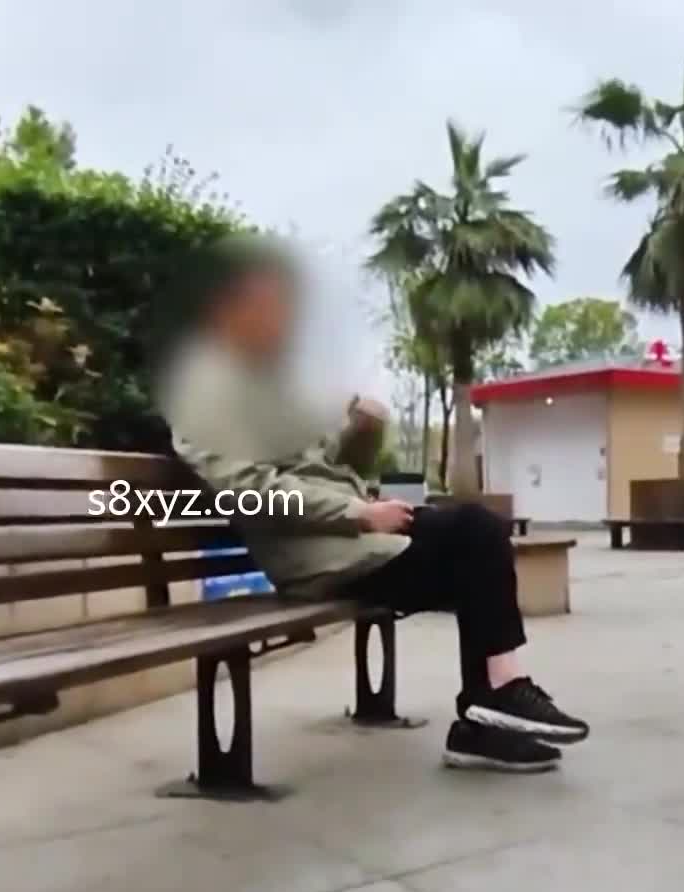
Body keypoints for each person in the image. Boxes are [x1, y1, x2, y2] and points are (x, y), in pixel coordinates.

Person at [159, 239, 588, 772]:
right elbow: (252, 492)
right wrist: (357, 514)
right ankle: (495, 702)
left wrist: (364, 428)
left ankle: (488, 714)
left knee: (479, 538)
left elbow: (328, 465)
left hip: (351, 538)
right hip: (316, 556)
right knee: (474, 539)